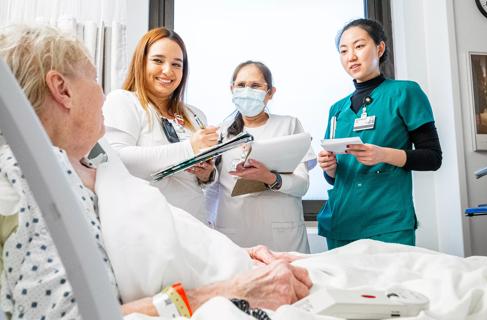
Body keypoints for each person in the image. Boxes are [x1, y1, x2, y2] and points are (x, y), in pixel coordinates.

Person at [0, 25, 311, 319]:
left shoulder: (89, 163)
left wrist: (240, 253)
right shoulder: (27, 185)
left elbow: (161, 219)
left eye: (177, 64)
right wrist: (232, 291)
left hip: (218, 255)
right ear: (62, 90)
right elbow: (83, 313)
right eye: (95, 80)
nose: (104, 96)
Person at [316, 19, 442, 250]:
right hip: (341, 222)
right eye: (343, 51)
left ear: (380, 48)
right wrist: (329, 167)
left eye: (359, 46)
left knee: (390, 287)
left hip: (387, 222)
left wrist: (382, 154)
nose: (351, 56)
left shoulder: (405, 92)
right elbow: (336, 177)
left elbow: (433, 158)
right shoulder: (337, 110)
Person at [103, 27, 218, 224]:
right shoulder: (123, 101)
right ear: (141, 62)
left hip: (196, 226)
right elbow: (117, 158)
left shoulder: (195, 115)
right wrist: (189, 148)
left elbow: (198, 180)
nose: (168, 71)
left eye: (176, 64)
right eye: (158, 60)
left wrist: (207, 173)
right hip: (150, 226)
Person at [208, 61, 316, 253]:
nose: (247, 91)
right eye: (241, 85)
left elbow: (302, 186)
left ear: (270, 92)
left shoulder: (289, 126)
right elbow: (211, 193)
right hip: (234, 237)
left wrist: (269, 178)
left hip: (283, 239)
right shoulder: (220, 134)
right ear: (232, 89)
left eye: (256, 86)